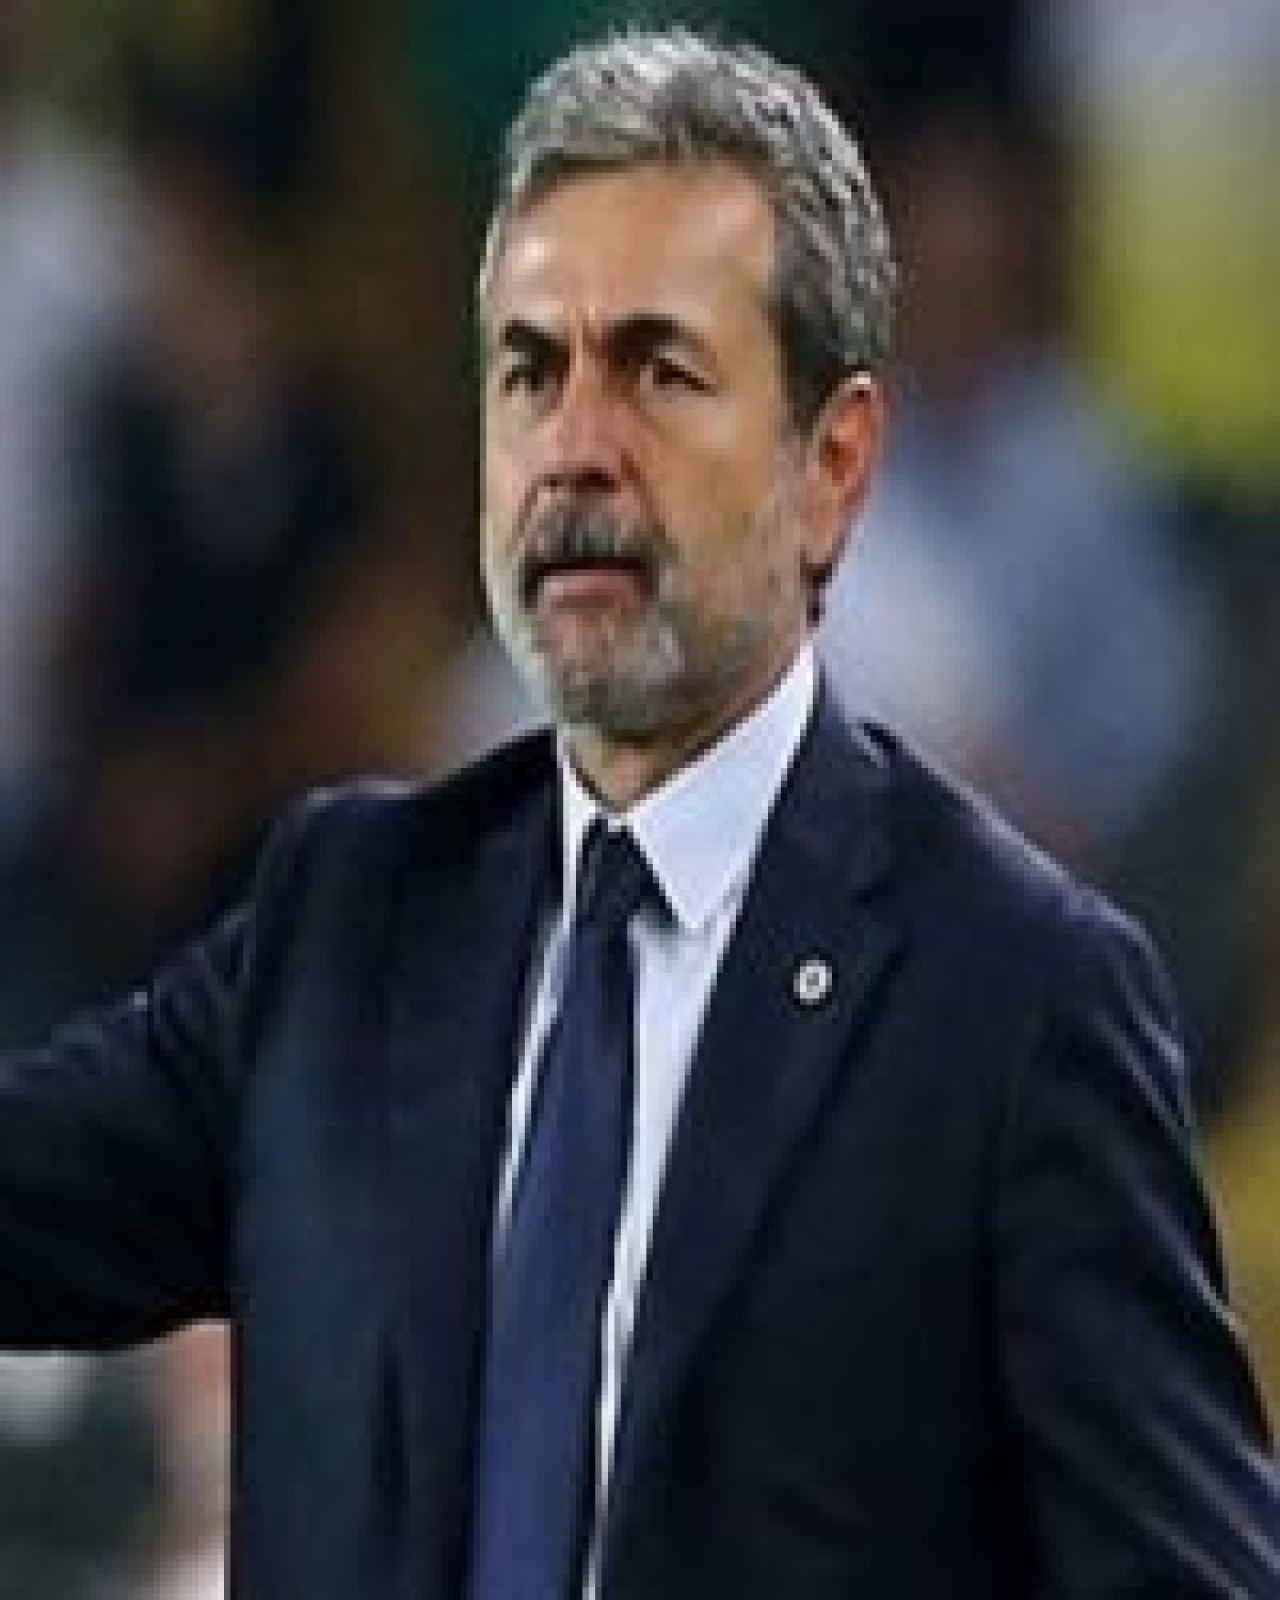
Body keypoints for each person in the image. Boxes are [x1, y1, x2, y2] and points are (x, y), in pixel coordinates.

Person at [0, 27, 1276, 1599]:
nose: (577, 450)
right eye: (530, 372)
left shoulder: (1017, 1002)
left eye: (660, 373)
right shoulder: (350, 922)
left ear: (833, 466)